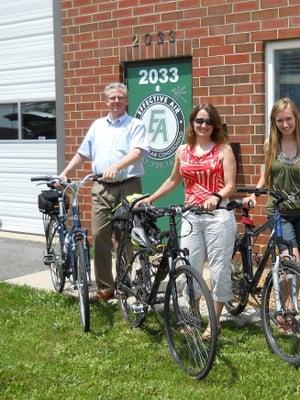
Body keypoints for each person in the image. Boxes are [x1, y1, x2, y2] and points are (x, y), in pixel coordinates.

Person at [142, 104, 236, 340]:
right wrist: (151, 198)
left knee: (218, 270)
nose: (203, 125)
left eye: (208, 121)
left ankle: (214, 323)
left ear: (214, 125)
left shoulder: (223, 150)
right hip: (191, 216)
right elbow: (173, 180)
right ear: (192, 123)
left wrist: (216, 197)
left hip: (218, 217)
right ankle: (194, 317)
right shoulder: (183, 151)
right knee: (189, 267)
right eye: (199, 121)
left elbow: (230, 186)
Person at [59, 82, 150, 302]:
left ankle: (124, 283)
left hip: (128, 186)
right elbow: (82, 153)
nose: (116, 101)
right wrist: (64, 173)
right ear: (106, 101)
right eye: (112, 98)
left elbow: (138, 151)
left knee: (125, 237)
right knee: (100, 235)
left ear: (126, 100)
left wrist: (117, 166)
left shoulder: (135, 125)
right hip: (101, 187)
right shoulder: (97, 126)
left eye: (120, 97)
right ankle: (105, 287)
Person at [246, 97, 300, 263]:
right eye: (280, 120)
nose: (285, 124)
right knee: (290, 258)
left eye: (288, 119)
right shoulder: (270, 145)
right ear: (274, 122)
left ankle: (288, 290)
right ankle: (287, 288)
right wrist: (254, 194)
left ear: (296, 117)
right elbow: (266, 175)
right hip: (278, 210)